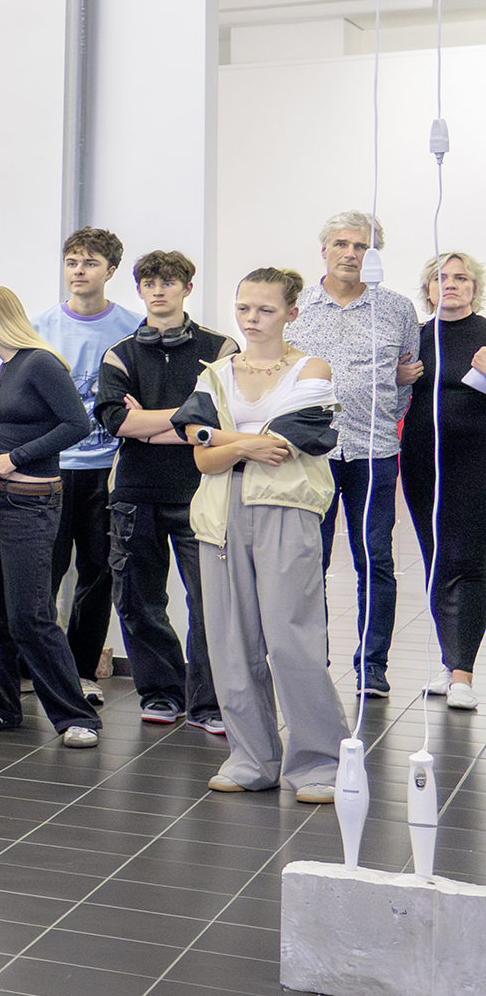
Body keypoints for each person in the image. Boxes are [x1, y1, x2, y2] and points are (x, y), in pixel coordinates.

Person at [187, 269, 344, 799]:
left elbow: (287, 442)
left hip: (286, 509)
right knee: (230, 642)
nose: (251, 319)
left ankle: (320, 763)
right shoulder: (215, 374)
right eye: (244, 308)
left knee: (292, 639)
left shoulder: (310, 368)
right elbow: (201, 456)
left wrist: (223, 440)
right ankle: (250, 757)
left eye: (265, 310)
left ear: (291, 314)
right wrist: (243, 444)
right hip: (219, 514)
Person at [93, 250, 230, 736]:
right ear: (139, 289)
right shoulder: (120, 353)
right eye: (149, 283)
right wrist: (185, 420)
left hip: (203, 491)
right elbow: (116, 421)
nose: (158, 290)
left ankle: (208, 702)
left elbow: (220, 419)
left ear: (187, 289)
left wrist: (148, 427)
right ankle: (161, 692)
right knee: (138, 600)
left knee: (210, 602)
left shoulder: (220, 349)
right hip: (135, 493)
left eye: (168, 282)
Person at [0, 286, 100, 746]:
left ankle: (75, 716)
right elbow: (8, 429)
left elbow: (77, 424)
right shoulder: (9, 365)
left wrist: (17, 458)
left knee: (30, 615)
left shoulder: (40, 363)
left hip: (28, 502)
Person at [297, 212, 427, 700]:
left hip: (374, 453)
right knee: (309, 562)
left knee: (375, 561)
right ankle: (312, 660)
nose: (351, 254)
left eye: (362, 246)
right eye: (341, 243)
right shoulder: (298, 306)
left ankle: (372, 666)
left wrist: (387, 401)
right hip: (311, 454)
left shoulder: (396, 309)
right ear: (324, 250)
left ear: (374, 255)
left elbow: (407, 378)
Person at [35, 228, 143, 702]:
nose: (79, 271)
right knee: (46, 571)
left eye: (90, 263)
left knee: (98, 572)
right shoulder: (38, 327)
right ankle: (43, 669)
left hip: (109, 468)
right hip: (53, 468)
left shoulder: (134, 327)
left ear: (111, 271)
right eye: (72, 262)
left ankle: (81, 673)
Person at [403, 252, 486, 710]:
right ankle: (448, 658)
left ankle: (462, 674)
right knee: (436, 560)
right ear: (428, 289)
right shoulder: (415, 338)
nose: (450, 284)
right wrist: (399, 378)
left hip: (476, 461)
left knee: (469, 561)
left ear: (474, 287)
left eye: (460, 278)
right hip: (422, 461)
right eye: (440, 278)